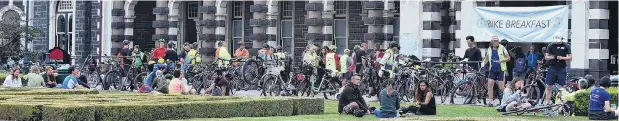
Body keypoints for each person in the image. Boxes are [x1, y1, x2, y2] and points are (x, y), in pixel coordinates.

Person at [543, 34, 571, 105]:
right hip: (552, 67)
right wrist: (553, 57)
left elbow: (570, 58)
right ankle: (547, 102)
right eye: (556, 41)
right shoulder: (551, 45)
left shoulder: (566, 46)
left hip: (562, 67)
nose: (558, 42)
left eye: (559, 41)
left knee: (562, 86)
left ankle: (561, 103)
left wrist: (562, 58)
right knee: (549, 85)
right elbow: (546, 56)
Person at [483, 36, 510, 107]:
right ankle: (491, 102)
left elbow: (508, 58)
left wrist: (501, 61)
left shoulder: (502, 48)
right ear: (492, 42)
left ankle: (509, 96)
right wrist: (483, 63)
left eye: (497, 41)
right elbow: (487, 58)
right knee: (490, 85)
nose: (496, 42)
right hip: (492, 69)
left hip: (501, 69)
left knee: (501, 87)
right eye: (495, 41)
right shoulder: (489, 49)